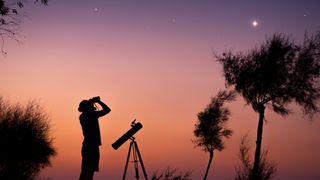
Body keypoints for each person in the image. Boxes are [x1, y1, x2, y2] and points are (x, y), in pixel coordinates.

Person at [78, 96, 111, 180]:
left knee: (84, 170)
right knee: (90, 171)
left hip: (86, 145)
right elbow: (107, 110)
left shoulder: (82, 116)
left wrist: (92, 102)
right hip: (92, 146)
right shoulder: (91, 115)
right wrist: (98, 101)